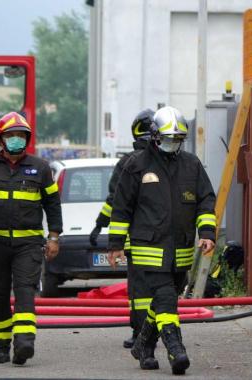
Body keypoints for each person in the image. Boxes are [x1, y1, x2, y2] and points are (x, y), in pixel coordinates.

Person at [108, 106, 217, 375]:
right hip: (148, 248)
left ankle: (143, 346)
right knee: (166, 297)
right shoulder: (136, 165)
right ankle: (176, 349)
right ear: (155, 137)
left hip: (179, 250)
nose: (172, 145)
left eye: (177, 140)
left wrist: (207, 234)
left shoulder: (192, 165)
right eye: (168, 139)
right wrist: (115, 245)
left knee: (162, 302)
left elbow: (206, 200)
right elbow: (121, 208)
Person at [0, 112, 62, 365]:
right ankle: (0, 346)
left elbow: (53, 205)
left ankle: (24, 342)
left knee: (25, 290)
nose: (16, 139)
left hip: (28, 244)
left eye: (20, 135)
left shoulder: (40, 168)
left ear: (26, 138)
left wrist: (54, 237)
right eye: (10, 135)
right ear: (0, 139)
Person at [89, 109, 155, 349]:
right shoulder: (170, 160)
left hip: (136, 240)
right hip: (161, 240)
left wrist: (99, 226)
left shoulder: (127, 162)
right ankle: (150, 331)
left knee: (138, 291)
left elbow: (115, 201)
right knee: (158, 290)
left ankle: (141, 333)